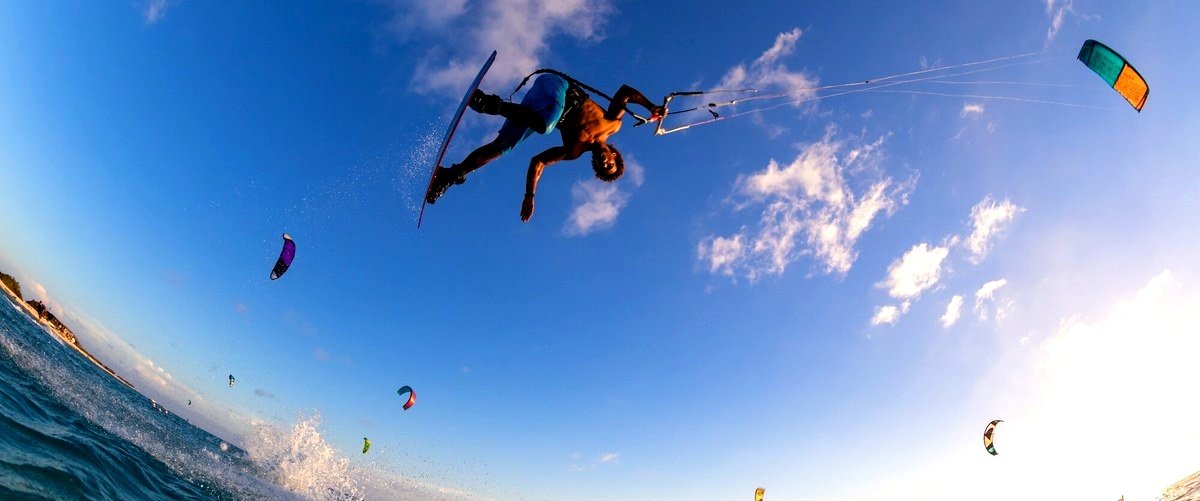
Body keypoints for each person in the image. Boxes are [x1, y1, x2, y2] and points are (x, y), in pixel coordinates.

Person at [425, 72, 664, 222]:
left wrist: (529, 196)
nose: (605, 162)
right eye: (610, 163)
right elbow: (624, 92)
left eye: (603, 167)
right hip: (557, 87)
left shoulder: (574, 151)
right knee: (547, 126)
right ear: (614, 154)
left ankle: (450, 174)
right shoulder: (613, 124)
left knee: (503, 147)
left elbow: (537, 162)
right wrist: (652, 107)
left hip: (538, 108)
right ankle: (487, 103)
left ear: (596, 165)